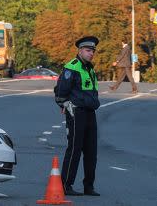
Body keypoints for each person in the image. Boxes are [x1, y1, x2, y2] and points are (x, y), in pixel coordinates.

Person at [54, 36, 101, 197]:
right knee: (74, 149)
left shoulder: (90, 68)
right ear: (80, 51)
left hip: (90, 112)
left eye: (92, 51)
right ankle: (66, 184)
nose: (91, 54)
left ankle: (89, 186)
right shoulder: (72, 67)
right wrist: (64, 105)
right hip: (76, 112)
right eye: (88, 51)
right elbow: (60, 90)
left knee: (91, 151)